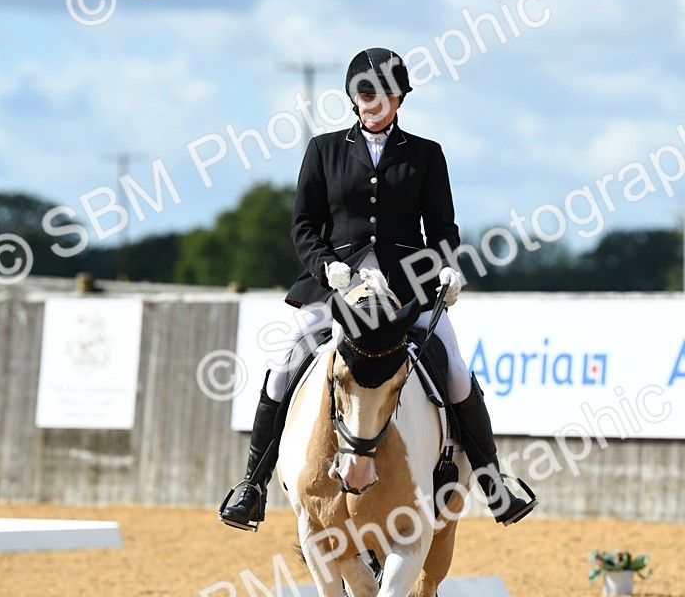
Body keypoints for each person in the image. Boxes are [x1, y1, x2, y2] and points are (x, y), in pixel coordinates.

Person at [219, 47, 538, 531]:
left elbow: (443, 228)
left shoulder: (426, 154)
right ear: (354, 98)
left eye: (384, 95)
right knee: (282, 367)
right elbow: (303, 225)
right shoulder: (323, 150)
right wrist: (325, 266)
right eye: (366, 94)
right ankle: (252, 485)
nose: (374, 103)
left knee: (455, 370)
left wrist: (447, 268)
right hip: (337, 286)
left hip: (407, 287)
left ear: (399, 99)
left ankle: (494, 483)